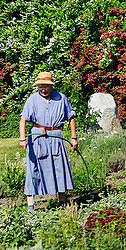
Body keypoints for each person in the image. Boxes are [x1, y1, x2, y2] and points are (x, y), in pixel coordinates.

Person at [19, 72, 78, 211]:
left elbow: (71, 118)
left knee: (59, 167)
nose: (43, 89)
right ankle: (31, 205)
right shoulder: (32, 99)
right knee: (34, 169)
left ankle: (62, 201)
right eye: (40, 87)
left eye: (45, 86)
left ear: (51, 86)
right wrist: (22, 138)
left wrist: (74, 137)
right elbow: (23, 120)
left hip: (56, 135)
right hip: (37, 137)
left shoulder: (61, 98)